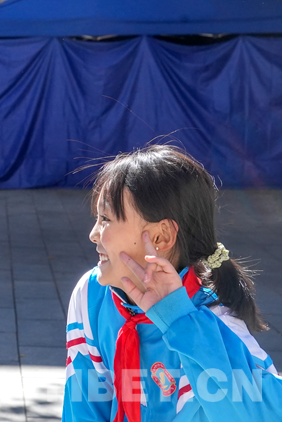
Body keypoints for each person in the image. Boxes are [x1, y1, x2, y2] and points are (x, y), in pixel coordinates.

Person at [63, 145, 282, 421]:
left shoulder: (216, 321)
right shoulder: (93, 295)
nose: (93, 234)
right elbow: (83, 406)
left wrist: (178, 320)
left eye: (105, 219)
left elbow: (267, 413)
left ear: (161, 237)